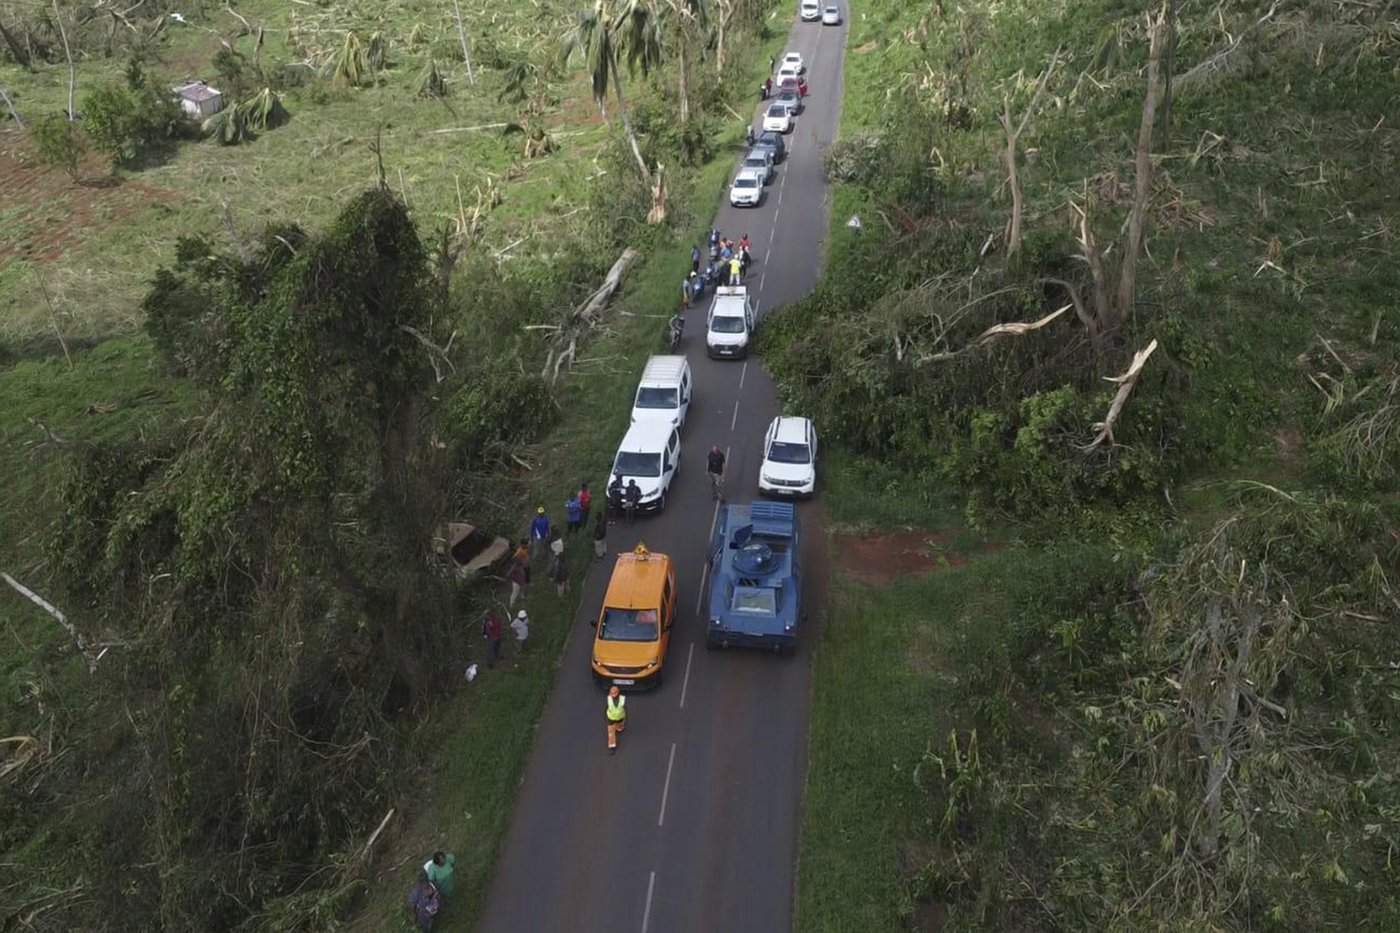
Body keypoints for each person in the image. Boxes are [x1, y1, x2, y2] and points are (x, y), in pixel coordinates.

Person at [605, 685, 627, 754]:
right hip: (611, 718)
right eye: (612, 693)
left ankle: (619, 727)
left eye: (615, 693)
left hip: (620, 717)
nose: (614, 695)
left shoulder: (622, 699)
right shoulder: (609, 699)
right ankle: (612, 746)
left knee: (620, 726)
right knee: (611, 733)